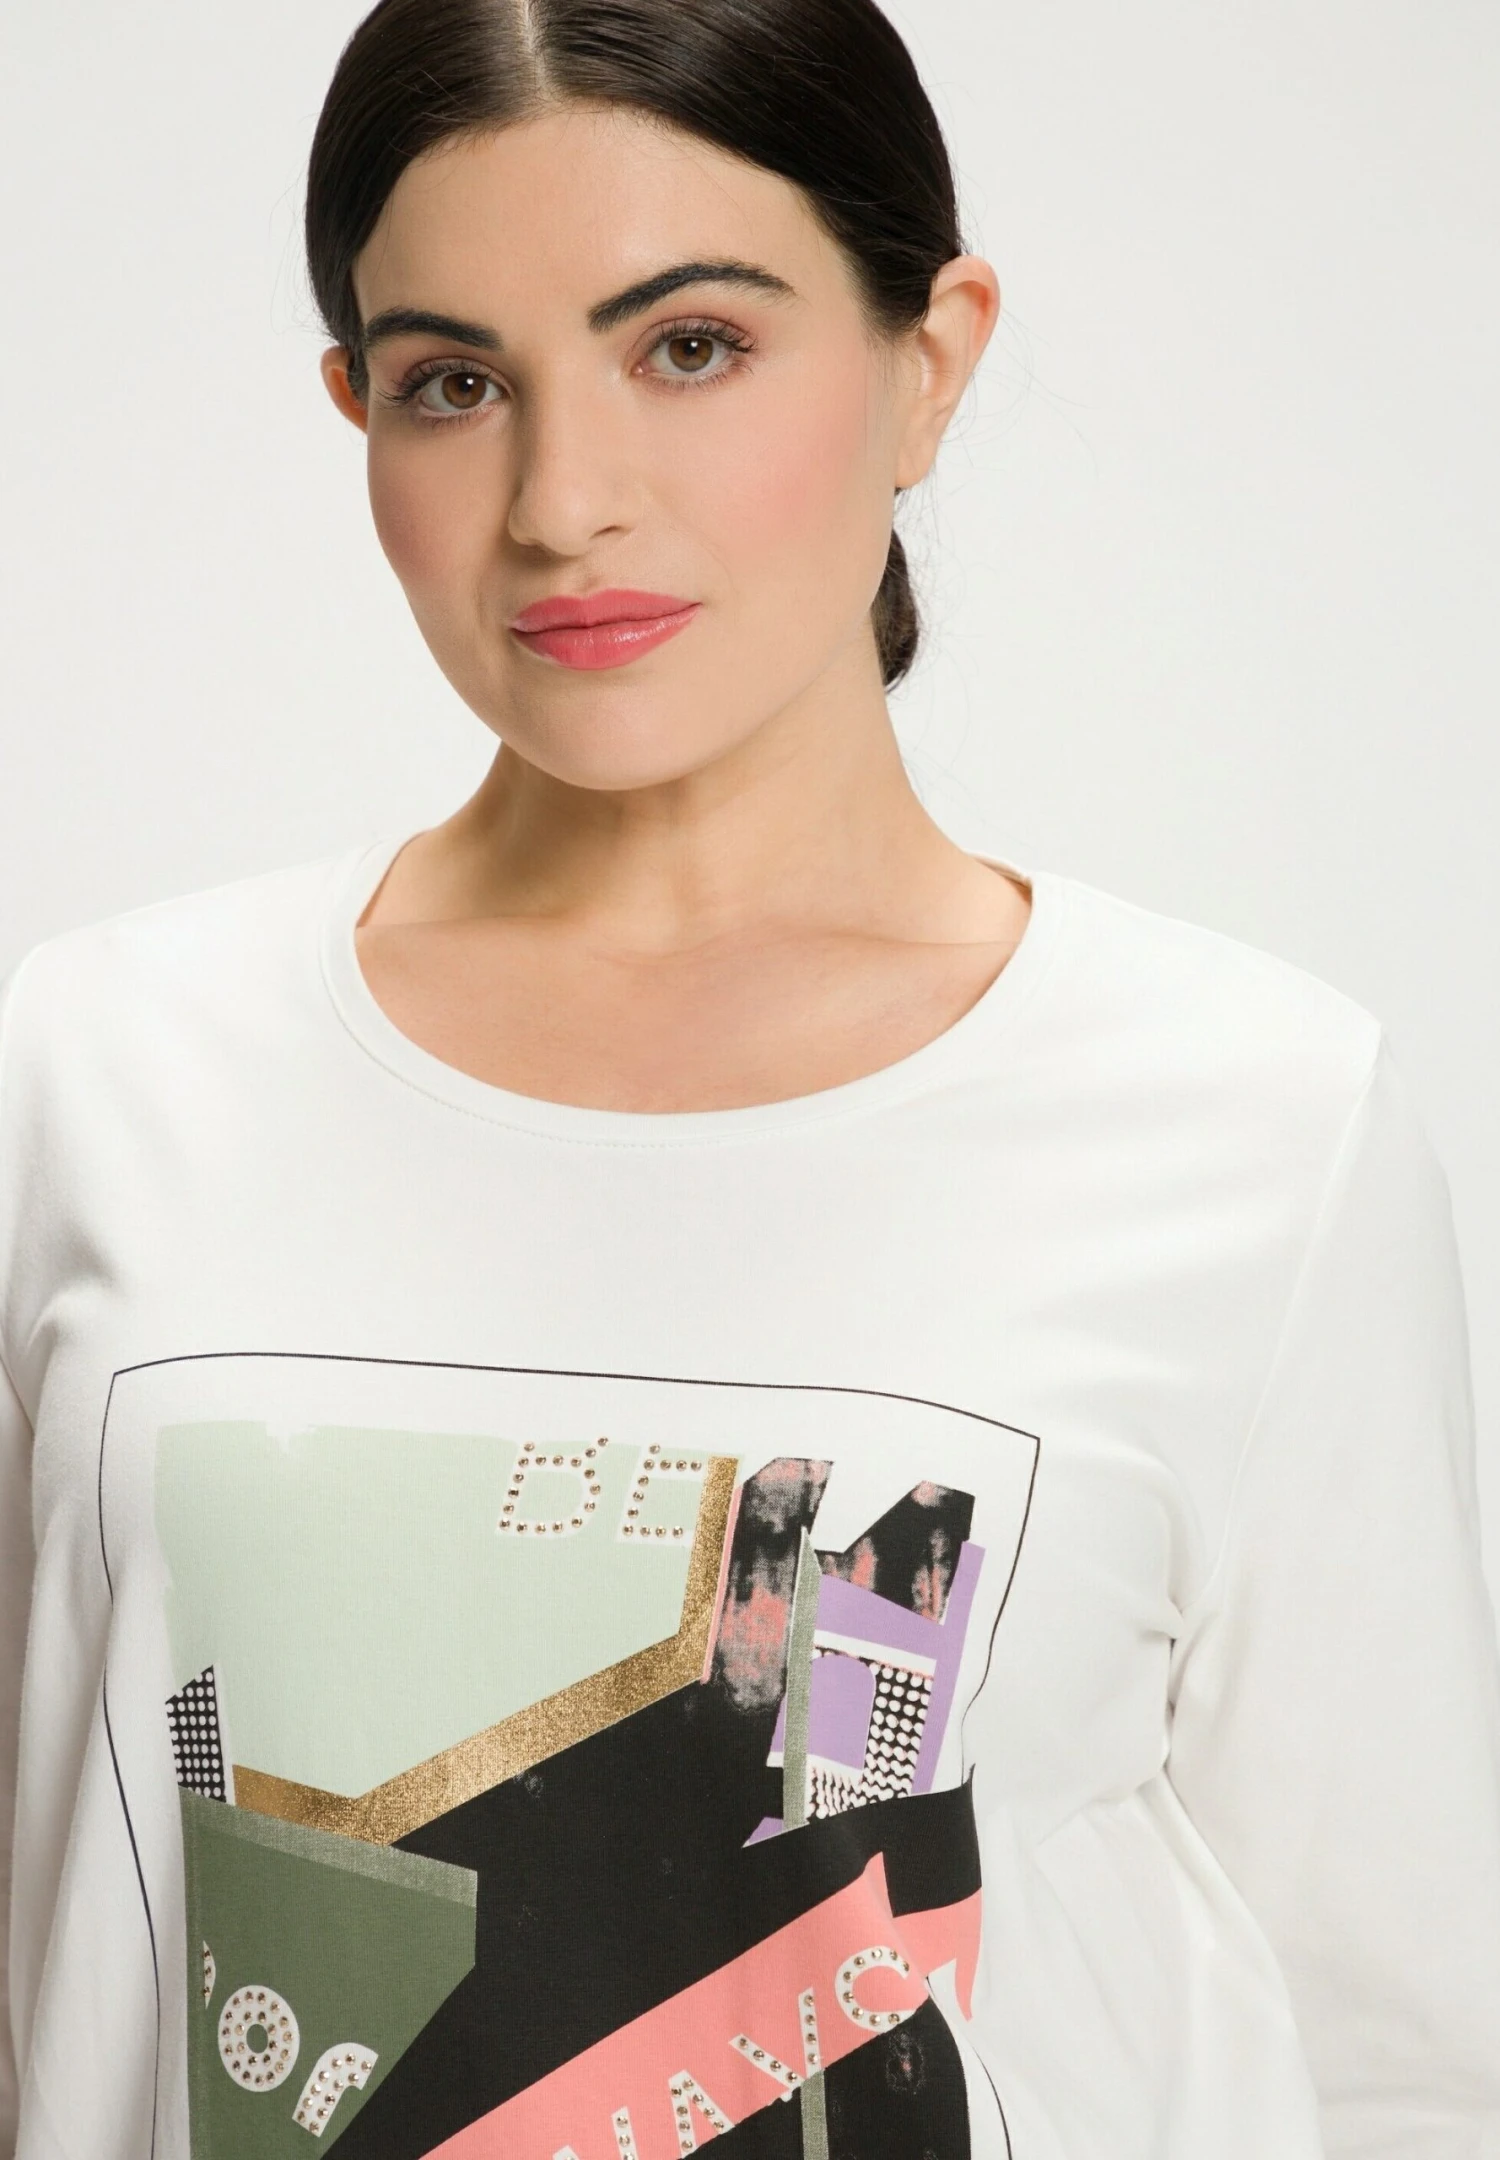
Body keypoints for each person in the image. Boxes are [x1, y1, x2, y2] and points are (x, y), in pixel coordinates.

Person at [1, 0, 1497, 2153]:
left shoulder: (1252, 1126)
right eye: (453, 384)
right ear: (357, 414)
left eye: (690, 346)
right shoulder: (96, 1077)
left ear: (930, 362)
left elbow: (1401, 2068)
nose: (563, 501)